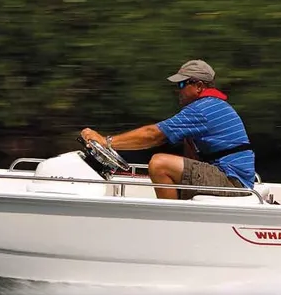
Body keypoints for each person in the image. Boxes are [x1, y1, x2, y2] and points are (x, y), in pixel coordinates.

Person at [80, 59, 256, 200]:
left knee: (159, 163)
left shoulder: (203, 109)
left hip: (232, 182)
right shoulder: (212, 106)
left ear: (199, 86)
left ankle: (169, 225)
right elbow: (191, 161)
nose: (177, 91)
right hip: (230, 177)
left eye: (182, 85)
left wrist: (107, 142)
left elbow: (153, 135)